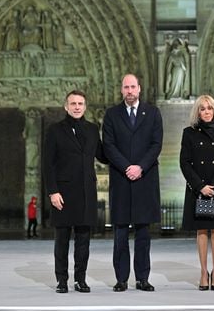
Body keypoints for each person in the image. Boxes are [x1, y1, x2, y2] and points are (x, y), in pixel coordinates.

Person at [102, 74, 163, 292]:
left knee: (143, 234)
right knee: (120, 234)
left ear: (139, 88)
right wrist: (127, 167)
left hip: (144, 179)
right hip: (121, 179)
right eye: (126, 87)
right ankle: (121, 279)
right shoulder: (111, 114)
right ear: (121, 90)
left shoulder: (153, 113)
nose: (129, 91)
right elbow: (108, 145)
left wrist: (140, 167)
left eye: (133, 87)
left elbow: (156, 145)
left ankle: (142, 279)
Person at [43, 90, 108, 294]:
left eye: (80, 103)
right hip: (62, 193)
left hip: (86, 191)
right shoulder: (54, 130)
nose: (77, 107)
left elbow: (103, 155)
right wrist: (53, 191)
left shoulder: (92, 129)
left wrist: (127, 149)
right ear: (66, 106)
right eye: (73, 103)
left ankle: (80, 280)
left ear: (85, 107)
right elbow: (48, 164)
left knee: (83, 241)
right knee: (61, 240)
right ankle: (62, 280)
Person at [179, 95, 214, 291]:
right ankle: (203, 272)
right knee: (201, 231)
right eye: (202, 108)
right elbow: (184, 162)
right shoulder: (189, 133)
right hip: (198, 188)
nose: (206, 111)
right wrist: (200, 186)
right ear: (198, 112)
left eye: (209, 108)